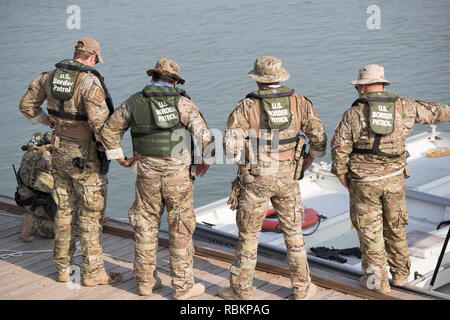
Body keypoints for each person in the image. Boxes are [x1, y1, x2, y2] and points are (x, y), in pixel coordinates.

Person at [99, 58, 215, 299]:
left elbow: (108, 132)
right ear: (174, 83)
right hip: (179, 176)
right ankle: (183, 287)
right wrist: (205, 162)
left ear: (152, 78)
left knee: (145, 225)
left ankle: (144, 282)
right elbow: (206, 139)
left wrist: (121, 159)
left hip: (146, 174)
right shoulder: (183, 104)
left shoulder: (134, 102)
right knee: (180, 228)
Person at [331, 64, 450, 293]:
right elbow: (438, 112)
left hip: (364, 182)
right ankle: (401, 276)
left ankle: (378, 283)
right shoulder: (404, 106)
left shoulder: (353, 113)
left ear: (363, 87)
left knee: (370, 230)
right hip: (395, 179)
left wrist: (343, 175)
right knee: (396, 226)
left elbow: (339, 149)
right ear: (384, 84)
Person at [219, 56, 327, 300]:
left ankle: (242, 290)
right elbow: (319, 139)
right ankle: (302, 288)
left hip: (256, 177)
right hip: (288, 177)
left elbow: (229, 147)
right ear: (280, 77)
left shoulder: (246, 107)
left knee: (248, 235)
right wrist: (307, 161)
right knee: (294, 233)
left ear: (257, 80)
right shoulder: (300, 103)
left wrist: (243, 159)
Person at [18, 38, 121, 286]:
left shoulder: (49, 77)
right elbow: (101, 127)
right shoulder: (89, 82)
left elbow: (26, 106)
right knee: (90, 214)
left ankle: (63, 268)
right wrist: (119, 156)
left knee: (64, 210)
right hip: (84, 158)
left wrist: (49, 122)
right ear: (93, 57)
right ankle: (93, 272)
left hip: (58, 151)